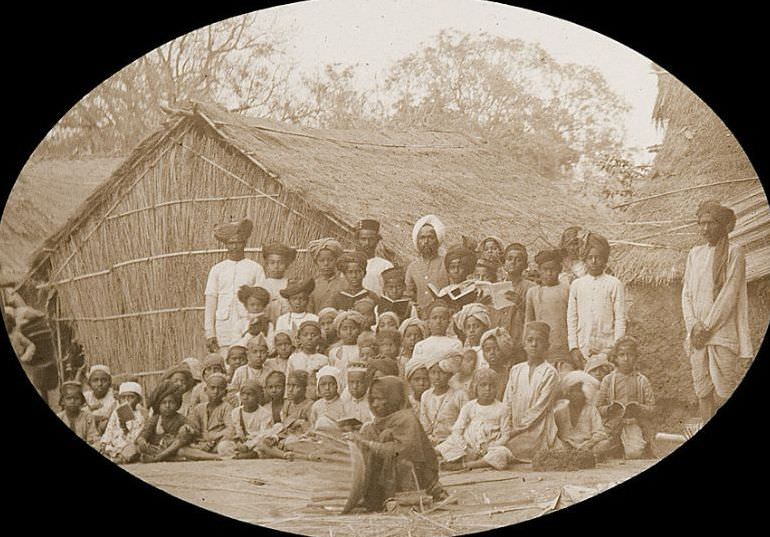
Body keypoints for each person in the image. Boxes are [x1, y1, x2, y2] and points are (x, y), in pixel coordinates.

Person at [682, 200, 752, 422]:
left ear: (723, 225)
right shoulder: (694, 254)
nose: (705, 228)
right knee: (703, 390)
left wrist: (707, 327)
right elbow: (686, 294)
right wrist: (694, 325)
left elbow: (729, 295)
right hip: (697, 335)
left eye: (711, 223)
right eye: (701, 223)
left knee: (725, 391)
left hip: (721, 334)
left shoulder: (734, 252)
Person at [344, 376, 447, 511]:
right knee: (368, 430)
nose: (374, 404)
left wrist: (366, 443)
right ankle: (372, 495)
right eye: (372, 399)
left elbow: (401, 451)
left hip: (413, 474)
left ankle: (398, 498)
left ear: (393, 397)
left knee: (401, 461)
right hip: (386, 476)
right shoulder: (379, 421)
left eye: (379, 399)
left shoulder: (407, 419)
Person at [204, 218, 265, 357]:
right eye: (231, 243)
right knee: (226, 360)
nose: (235, 247)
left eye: (239, 242)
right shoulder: (217, 270)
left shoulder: (255, 268)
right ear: (226, 245)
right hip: (223, 326)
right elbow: (211, 302)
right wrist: (210, 333)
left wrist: (256, 325)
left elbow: (262, 300)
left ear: (244, 243)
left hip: (247, 324)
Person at [503, 321, 563, 461]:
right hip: (513, 427)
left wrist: (517, 431)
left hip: (537, 429)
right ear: (524, 344)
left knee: (505, 447)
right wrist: (506, 426)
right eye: (530, 340)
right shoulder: (516, 370)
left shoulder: (550, 373)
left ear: (547, 346)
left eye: (539, 341)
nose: (534, 345)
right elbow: (507, 402)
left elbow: (540, 408)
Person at [567, 232, 626, 369]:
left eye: (598, 258)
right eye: (590, 258)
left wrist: (615, 348)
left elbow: (620, 318)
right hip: (584, 346)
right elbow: (572, 318)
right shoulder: (577, 285)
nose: (594, 262)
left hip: (607, 347)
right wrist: (574, 347)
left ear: (605, 260)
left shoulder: (614, 284)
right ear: (585, 260)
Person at [436, 368, 513, 470]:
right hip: (468, 445)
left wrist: (490, 446)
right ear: (475, 387)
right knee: (447, 444)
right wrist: (466, 447)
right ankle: (435, 459)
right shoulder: (469, 406)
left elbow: (505, 435)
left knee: (501, 453)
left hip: (489, 447)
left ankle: (465, 465)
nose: (487, 389)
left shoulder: (502, 408)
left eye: (492, 386)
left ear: (496, 388)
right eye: (483, 385)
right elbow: (457, 430)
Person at [594, 336, 656, 459]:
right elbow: (598, 407)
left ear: (636, 357)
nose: (626, 359)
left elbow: (652, 408)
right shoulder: (608, 380)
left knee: (635, 453)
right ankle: (617, 446)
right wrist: (609, 409)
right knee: (599, 448)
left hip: (633, 423)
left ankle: (629, 446)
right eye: (622, 355)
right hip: (612, 424)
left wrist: (639, 408)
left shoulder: (642, 380)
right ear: (615, 358)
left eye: (630, 355)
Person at [526, 249, 571, 365]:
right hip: (539, 345)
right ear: (539, 270)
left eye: (553, 270)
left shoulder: (566, 290)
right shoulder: (533, 292)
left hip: (562, 344)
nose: (549, 273)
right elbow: (529, 321)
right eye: (545, 270)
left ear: (560, 270)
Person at [493, 243, 534, 364]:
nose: (513, 262)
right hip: (499, 343)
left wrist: (521, 303)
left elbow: (534, 315)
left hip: (519, 342)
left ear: (525, 265)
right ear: (504, 263)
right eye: (509, 259)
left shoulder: (530, 287)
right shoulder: (496, 287)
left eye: (518, 260)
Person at [136, 380, 196, 462]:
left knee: (183, 441)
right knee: (139, 449)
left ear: (177, 404)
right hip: (158, 448)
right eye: (164, 403)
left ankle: (158, 457)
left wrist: (188, 429)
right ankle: (169, 457)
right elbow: (144, 433)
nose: (167, 406)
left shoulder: (180, 418)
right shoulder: (155, 419)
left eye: (171, 402)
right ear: (159, 405)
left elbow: (193, 429)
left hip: (174, 447)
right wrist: (142, 441)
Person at [405, 215, 449, 318]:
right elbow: (408, 294)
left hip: (442, 317)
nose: (426, 242)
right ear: (417, 241)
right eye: (422, 238)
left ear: (437, 240)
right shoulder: (412, 267)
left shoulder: (446, 263)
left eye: (430, 237)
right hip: (420, 317)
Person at [419, 352, 467, 445]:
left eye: (442, 373)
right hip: (430, 441)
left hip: (452, 441)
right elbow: (424, 422)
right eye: (433, 373)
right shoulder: (426, 395)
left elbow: (465, 423)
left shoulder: (459, 395)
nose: (437, 377)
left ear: (450, 375)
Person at [553, 371, 607, 453]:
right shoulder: (560, 412)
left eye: (579, 391)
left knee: (604, 444)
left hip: (587, 445)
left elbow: (600, 432)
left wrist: (588, 444)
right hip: (566, 445)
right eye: (573, 391)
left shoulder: (591, 410)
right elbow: (554, 433)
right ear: (568, 394)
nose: (576, 395)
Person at [185, 373, 236, 459]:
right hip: (201, 444)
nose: (215, 392)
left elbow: (231, 430)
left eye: (220, 389)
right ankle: (213, 457)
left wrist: (212, 440)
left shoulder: (226, 407)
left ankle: (204, 456)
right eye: (212, 388)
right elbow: (194, 428)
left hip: (217, 443)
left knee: (224, 446)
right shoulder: (199, 408)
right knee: (183, 448)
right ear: (205, 390)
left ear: (225, 392)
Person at [99, 381, 148, 464]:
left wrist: (125, 428)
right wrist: (104, 441)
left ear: (138, 400)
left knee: (134, 449)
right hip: (115, 441)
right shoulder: (116, 412)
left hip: (129, 443)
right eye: (123, 397)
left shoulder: (140, 414)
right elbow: (109, 428)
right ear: (119, 399)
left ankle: (120, 459)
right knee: (102, 446)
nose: (127, 400)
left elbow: (137, 436)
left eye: (131, 397)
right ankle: (110, 454)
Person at [286, 321, 329, 400]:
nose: (309, 338)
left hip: (316, 397)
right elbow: (288, 380)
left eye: (314, 335)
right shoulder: (293, 358)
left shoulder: (324, 360)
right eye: (305, 335)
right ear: (299, 338)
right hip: (297, 398)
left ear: (319, 338)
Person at [411, 301, 463, 366]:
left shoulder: (455, 344)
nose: (438, 321)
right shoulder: (420, 346)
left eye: (443, 318)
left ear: (448, 322)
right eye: (434, 318)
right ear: (428, 322)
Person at [307, 238, 346, 313]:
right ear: (316, 262)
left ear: (336, 261)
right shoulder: (312, 285)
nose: (326, 264)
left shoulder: (345, 283)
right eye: (321, 261)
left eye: (330, 260)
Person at [356, 219, 394, 296]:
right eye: (363, 239)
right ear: (357, 240)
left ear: (377, 240)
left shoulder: (386, 266)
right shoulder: (349, 264)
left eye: (371, 239)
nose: (367, 243)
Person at [229, 379, 265, 459]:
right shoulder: (236, 412)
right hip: (241, 443)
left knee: (264, 444)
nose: (245, 397)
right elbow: (235, 431)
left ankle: (252, 454)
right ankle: (240, 454)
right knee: (223, 445)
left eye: (249, 394)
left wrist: (249, 445)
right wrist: (239, 443)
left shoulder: (265, 414)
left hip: (255, 442)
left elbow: (263, 434)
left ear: (258, 396)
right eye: (242, 394)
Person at [230, 334, 273, 400]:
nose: (259, 355)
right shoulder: (240, 371)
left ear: (267, 354)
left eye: (262, 352)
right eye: (255, 352)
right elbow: (232, 392)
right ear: (248, 354)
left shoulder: (269, 372)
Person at [57, 381, 100, 446]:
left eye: (77, 398)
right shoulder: (60, 417)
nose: (72, 401)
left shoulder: (87, 417)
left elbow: (93, 438)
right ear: (63, 401)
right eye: (68, 398)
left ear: (82, 400)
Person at [480, 327, 515, 400]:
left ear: (504, 351)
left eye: (497, 349)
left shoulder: (510, 376)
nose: (492, 353)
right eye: (488, 350)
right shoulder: (480, 375)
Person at [309, 365, 346, 431]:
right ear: (318, 387)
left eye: (331, 384)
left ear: (337, 386)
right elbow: (312, 426)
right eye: (323, 384)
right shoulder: (316, 405)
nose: (327, 388)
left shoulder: (343, 404)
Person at [83, 365, 117, 435]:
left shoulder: (115, 397)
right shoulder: (85, 397)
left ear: (109, 382)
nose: (99, 384)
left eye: (104, 380)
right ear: (89, 383)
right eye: (95, 380)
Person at [281, 370, 314, 434]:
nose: (290, 390)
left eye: (295, 386)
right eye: (289, 385)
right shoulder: (287, 403)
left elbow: (310, 429)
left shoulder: (309, 406)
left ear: (304, 388)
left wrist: (300, 423)